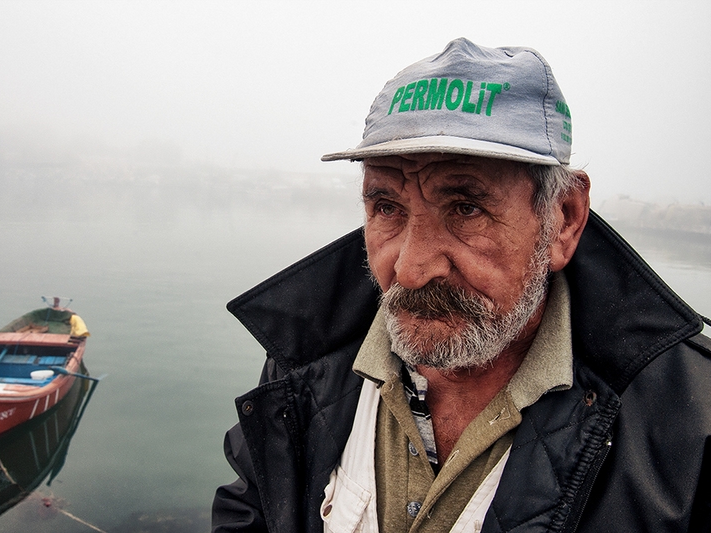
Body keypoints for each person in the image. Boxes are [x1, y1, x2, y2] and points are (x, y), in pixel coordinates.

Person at [211, 38, 711, 532]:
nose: (409, 271)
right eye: (386, 207)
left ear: (563, 219)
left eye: (466, 208)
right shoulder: (304, 362)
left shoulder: (690, 426)